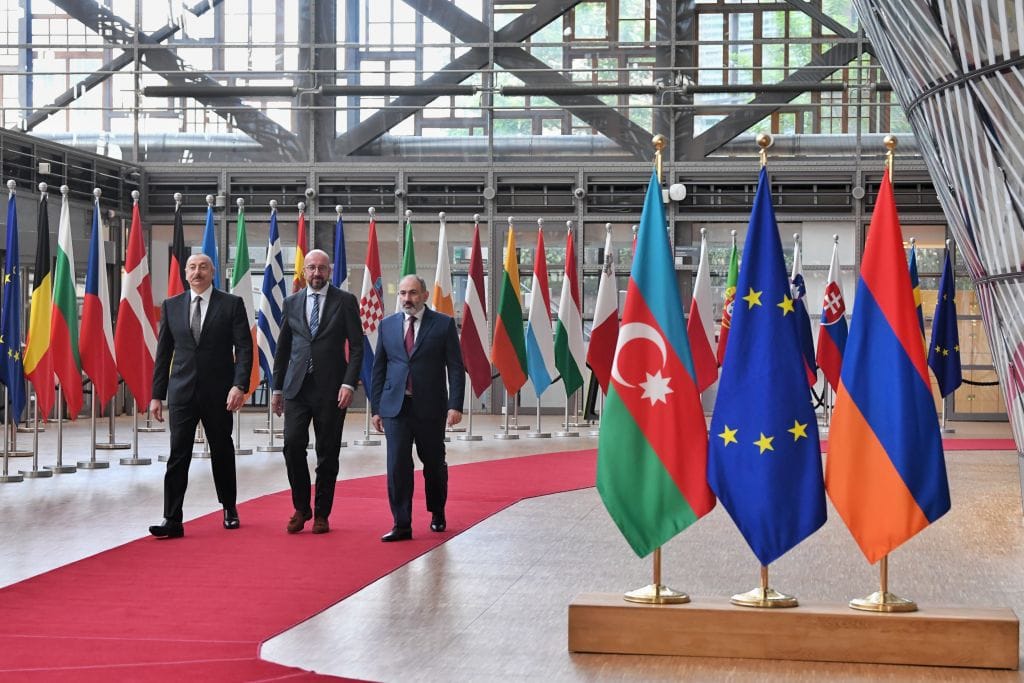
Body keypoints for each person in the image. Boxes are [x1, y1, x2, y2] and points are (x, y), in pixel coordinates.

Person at [149, 253, 253, 538]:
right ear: (185, 273)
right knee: (177, 455)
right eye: (193, 268)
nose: (198, 272)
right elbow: (163, 353)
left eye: (203, 267)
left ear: (213, 272)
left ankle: (229, 508)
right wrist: (157, 395)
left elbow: (244, 348)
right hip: (181, 392)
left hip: (220, 392)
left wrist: (239, 385)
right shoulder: (172, 306)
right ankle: (172, 518)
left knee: (222, 450)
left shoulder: (231, 304)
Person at [272, 249, 363, 534]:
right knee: (292, 446)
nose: (316, 273)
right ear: (304, 271)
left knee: (327, 453)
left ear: (329, 271)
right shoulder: (291, 302)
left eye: (321, 268)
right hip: (296, 388)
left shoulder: (345, 301)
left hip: (332, 390)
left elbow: (358, 347)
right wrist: (276, 388)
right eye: (311, 268)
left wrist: (349, 383)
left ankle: (322, 513)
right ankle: (301, 508)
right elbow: (283, 348)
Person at [371, 274, 465, 542]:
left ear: (424, 295)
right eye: (402, 293)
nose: (407, 299)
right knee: (397, 465)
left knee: (433, 464)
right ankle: (401, 523)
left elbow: (456, 369)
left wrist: (454, 405)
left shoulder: (443, 325)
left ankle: (437, 511)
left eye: (412, 293)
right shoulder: (387, 325)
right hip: (396, 408)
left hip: (430, 408)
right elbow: (379, 368)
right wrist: (377, 407)